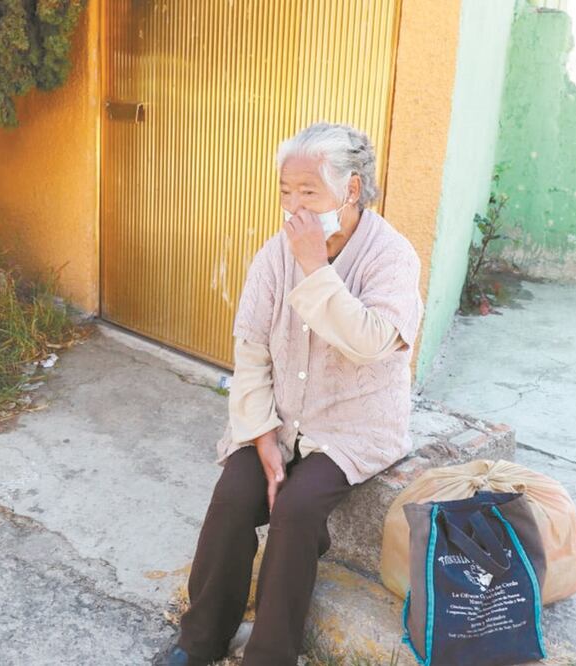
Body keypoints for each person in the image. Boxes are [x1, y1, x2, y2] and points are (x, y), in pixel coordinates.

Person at [157, 123, 423, 666]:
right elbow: (251, 349)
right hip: (280, 417)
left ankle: (270, 656)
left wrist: (315, 268)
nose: (294, 207)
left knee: (297, 510)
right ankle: (199, 640)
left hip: (352, 427)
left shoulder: (392, 256)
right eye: (286, 191)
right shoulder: (274, 253)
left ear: (351, 189)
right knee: (234, 495)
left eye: (308, 191)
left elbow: (372, 342)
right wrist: (260, 435)